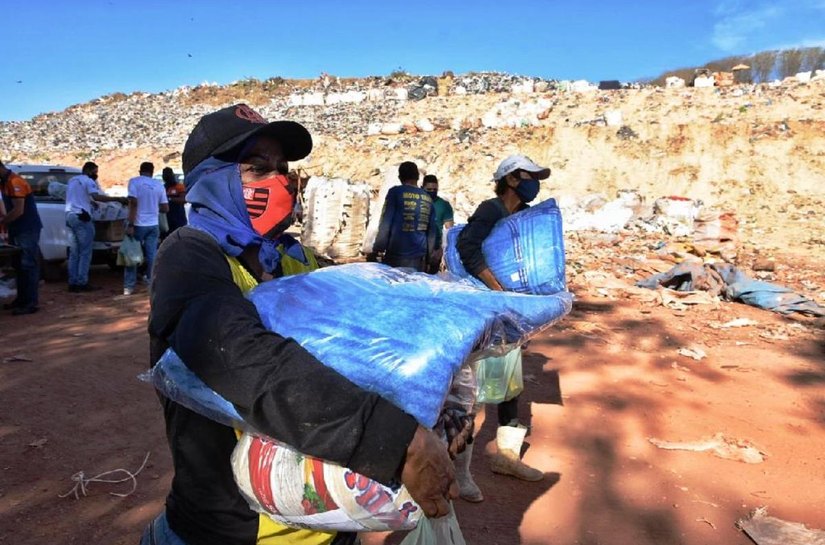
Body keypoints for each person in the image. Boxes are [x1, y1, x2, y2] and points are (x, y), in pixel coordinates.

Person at [141, 104, 464, 545]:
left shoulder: (296, 259)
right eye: (258, 169)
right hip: (233, 532)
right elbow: (243, 357)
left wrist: (436, 408)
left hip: (326, 524)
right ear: (211, 181)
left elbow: (364, 348)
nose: (280, 180)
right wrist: (397, 439)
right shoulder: (190, 255)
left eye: (283, 168)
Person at [454, 154, 551, 500]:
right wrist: (497, 290)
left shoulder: (522, 217)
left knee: (510, 386)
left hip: (506, 310)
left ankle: (507, 457)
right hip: (482, 308)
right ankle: (460, 474)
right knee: (467, 392)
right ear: (511, 179)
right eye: (529, 176)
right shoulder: (491, 210)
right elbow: (467, 247)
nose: (534, 183)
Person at [64, 161, 127, 292]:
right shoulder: (88, 181)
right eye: (95, 172)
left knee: (74, 252)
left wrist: (91, 204)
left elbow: (80, 197)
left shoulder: (72, 180)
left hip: (70, 215)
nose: (96, 175)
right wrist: (117, 199)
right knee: (85, 252)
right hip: (82, 217)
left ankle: (72, 282)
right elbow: (97, 197)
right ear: (88, 171)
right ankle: (82, 282)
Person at [372, 162, 437, 271]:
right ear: (417, 177)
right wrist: (429, 258)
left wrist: (378, 248)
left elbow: (386, 222)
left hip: (396, 256)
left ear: (400, 177)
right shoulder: (428, 198)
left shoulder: (395, 192)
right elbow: (431, 233)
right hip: (418, 259)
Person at [0, 160, 43, 315]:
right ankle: (22, 299)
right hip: (17, 229)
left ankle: (30, 302)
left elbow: (19, 210)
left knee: (28, 265)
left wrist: (3, 221)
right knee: (18, 266)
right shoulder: (4, 183)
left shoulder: (15, 181)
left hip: (27, 228)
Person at [123, 162, 168, 296]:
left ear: (140, 170)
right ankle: (152, 284)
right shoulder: (158, 185)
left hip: (137, 224)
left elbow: (133, 203)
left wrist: (130, 224)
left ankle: (128, 287)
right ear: (152, 171)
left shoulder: (134, 182)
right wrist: (153, 208)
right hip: (153, 225)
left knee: (132, 254)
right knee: (152, 256)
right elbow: (165, 208)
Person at [421, 174, 454, 274]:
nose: (432, 192)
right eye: (429, 189)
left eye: (434, 190)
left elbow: (449, 231)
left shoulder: (444, 205)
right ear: (422, 188)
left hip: (435, 252)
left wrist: (443, 253)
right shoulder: (417, 202)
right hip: (417, 250)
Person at [161, 167, 187, 238]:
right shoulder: (162, 188)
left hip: (178, 218)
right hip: (166, 220)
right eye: (164, 174)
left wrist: (170, 199)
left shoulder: (179, 186)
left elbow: (184, 200)